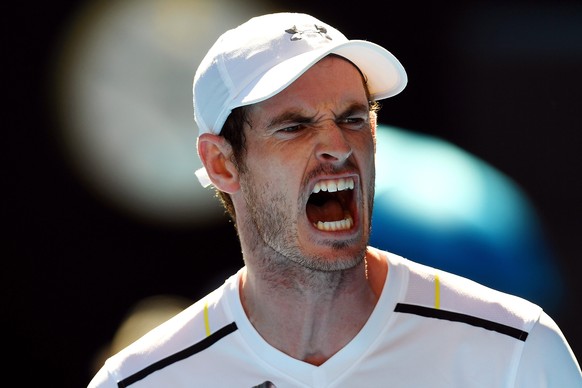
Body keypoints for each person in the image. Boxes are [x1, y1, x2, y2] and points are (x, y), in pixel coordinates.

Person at [88, 12, 581, 387]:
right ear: (221, 164)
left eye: (352, 118)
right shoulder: (137, 381)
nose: (339, 147)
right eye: (295, 126)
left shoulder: (518, 352)